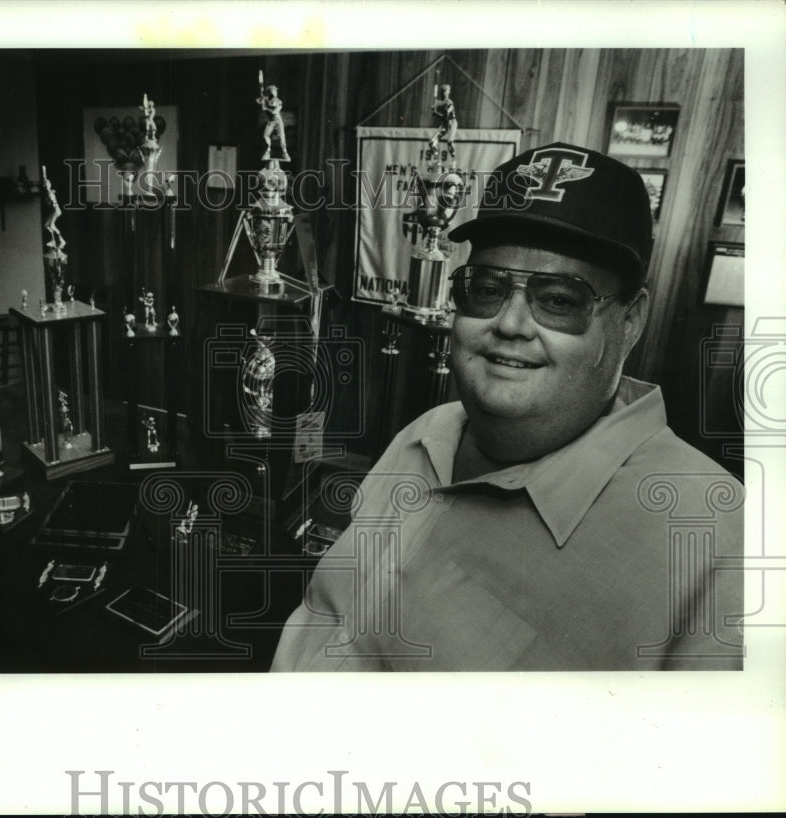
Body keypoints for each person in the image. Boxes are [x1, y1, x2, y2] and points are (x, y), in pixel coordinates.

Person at [272, 142, 744, 671]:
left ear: (630, 321)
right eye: (486, 289)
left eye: (560, 299)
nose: (512, 324)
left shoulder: (713, 534)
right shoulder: (427, 434)